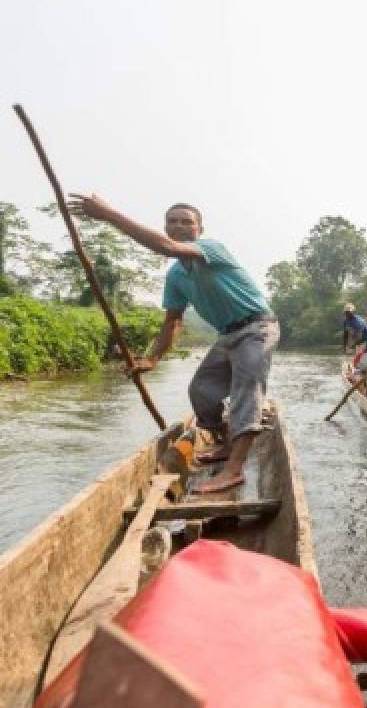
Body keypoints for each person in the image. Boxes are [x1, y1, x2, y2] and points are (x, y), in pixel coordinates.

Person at [66, 195, 278, 494]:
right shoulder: (176, 275)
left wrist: (109, 214)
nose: (178, 226)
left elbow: (165, 248)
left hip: (257, 327)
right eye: (172, 221)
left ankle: (233, 471)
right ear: (166, 226)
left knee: (246, 390)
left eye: (186, 221)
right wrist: (151, 359)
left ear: (199, 230)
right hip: (227, 334)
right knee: (201, 390)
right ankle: (225, 442)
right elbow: (173, 322)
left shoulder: (211, 249)